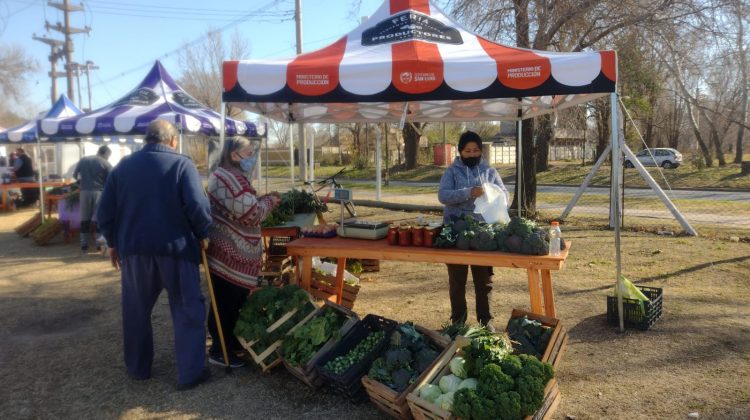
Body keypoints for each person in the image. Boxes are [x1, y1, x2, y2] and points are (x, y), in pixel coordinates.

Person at [96, 120, 213, 391]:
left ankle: (138, 368)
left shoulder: (123, 167)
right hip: (176, 249)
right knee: (186, 309)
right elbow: (197, 206)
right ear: (172, 140)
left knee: (136, 311)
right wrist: (203, 232)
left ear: (147, 139)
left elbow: (105, 212)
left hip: (135, 251)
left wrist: (112, 242)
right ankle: (190, 373)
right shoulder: (182, 164)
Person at [204, 137, 281, 368]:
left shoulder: (233, 176)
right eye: (248, 154)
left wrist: (262, 200)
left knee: (235, 302)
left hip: (237, 255)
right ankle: (220, 349)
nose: (252, 158)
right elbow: (251, 214)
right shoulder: (224, 178)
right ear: (234, 154)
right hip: (228, 256)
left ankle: (231, 343)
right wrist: (270, 201)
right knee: (225, 303)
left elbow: (244, 205)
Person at [438, 131, 508, 331]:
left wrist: (493, 194)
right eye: (467, 150)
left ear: (481, 151)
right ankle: (458, 323)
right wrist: (468, 192)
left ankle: (486, 323)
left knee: (484, 281)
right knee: (457, 282)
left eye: (476, 150)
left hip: (483, 234)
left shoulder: (490, 171)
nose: (472, 153)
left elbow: (505, 195)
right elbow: (443, 195)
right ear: (460, 152)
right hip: (455, 233)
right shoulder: (451, 172)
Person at [73, 145, 113, 252]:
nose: (108, 157)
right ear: (105, 153)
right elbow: (111, 180)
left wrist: (81, 185)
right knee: (99, 219)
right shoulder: (106, 163)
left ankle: (84, 245)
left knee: (84, 219)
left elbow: (75, 175)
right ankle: (98, 245)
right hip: (99, 193)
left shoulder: (83, 160)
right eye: (109, 155)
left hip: (84, 192)